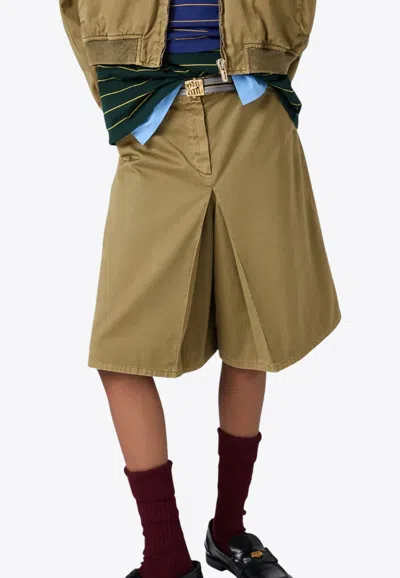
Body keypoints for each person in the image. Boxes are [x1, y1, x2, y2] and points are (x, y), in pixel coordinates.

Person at [60, 1, 341, 578]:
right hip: (152, 126)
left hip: (254, 120)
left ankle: (228, 531)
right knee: (120, 351)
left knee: (253, 336)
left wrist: (263, 63)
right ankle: (166, 557)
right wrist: (124, 98)